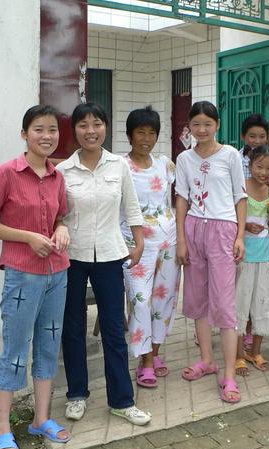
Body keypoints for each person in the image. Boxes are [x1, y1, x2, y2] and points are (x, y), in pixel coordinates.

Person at [0, 105, 71, 449]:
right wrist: (28, 237)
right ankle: (3, 427)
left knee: (49, 346)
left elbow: (61, 215)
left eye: (51, 130)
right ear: (24, 134)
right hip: (22, 273)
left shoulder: (57, 176)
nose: (46, 136)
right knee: (16, 351)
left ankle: (40, 418)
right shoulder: (7, 173)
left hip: (57, 274)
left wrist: (61, 228)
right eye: (38, 130)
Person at [57, 102, 151, 426]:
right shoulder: (63, 171)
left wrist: (139, 240)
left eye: (96, 124)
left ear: (105, 128)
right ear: (75, 131)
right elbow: (56, 214)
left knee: (113, 329)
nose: (90, 131)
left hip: (111, 255)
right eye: (83, 125)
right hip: (71, 257)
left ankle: (122, 401)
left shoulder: (119, 166)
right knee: (73, 328)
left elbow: (132, 206)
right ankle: (77, 395)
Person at [176, 100, 247, 404]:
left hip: (223, 230)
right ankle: (207, 360)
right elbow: (181, 198)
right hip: (194, 229)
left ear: (217, 124)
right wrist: (181, 238)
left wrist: (240, 235)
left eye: (207, 123)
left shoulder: (230, 155)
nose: (201, 130)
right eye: (196, 124)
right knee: (197, 298)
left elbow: (240, 197)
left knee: (224, 303)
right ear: (189, 127)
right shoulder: (183, 159)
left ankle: (229, 374)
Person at [120, 106, 180, 388]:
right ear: (130, 135)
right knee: (140, 300)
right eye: (140, 132)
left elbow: (179, 199)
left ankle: (153, 354)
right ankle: (143, 360)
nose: (146, 138)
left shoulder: (166, 165)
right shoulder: (120, 166)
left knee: (163, 301)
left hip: (168, 240)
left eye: (151, 132)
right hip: (135, 244)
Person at [235, 145, 269, 376]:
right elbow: (230, 220)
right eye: (259, 166)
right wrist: (244, 226)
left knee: (263, 303)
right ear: (250, 164)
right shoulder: (241, 186)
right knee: (240, 303)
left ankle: (255, 350)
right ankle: (237, 354)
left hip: (264, 255)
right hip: (243, 255)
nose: (263, 172)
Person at [239, 113, 269, 179]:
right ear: (243, 136)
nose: (257, 141)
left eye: (262, 136)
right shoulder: (236, 160)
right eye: (252, 136)